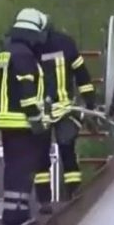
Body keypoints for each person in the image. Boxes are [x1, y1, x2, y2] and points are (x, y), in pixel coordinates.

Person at [0, 7, 50, 225]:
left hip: (6, 121)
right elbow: (27, 92)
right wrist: (36, 120)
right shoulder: (24, 56)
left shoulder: (2, 54)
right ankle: (18, 214)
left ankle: (11, 211)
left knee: (13, 167)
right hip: (22, 122)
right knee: (24, 168)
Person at [38, 20, 95, 204]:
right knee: (67, 151)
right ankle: (74, 193)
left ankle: (44, 201)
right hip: (65, 109)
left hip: (42, 111)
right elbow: (82, 75)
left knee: (41, 156)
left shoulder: (32, 46)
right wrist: (90, 103)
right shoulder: (66, 43)